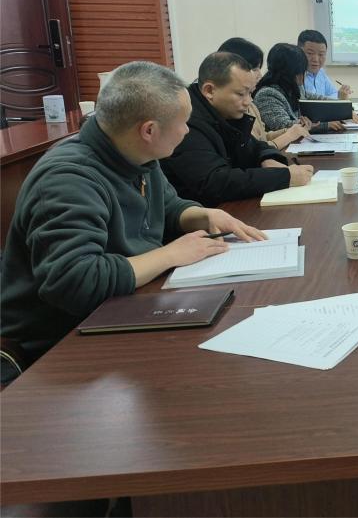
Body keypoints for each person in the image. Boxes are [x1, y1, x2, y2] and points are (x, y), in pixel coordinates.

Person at [0, 61, 266, 373]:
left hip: (125, 304)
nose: (187, 131)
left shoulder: (136, 153)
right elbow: (75, 282)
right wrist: (170, 255)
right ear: (149, 130)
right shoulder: (67, 179)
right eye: (184, 123)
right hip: (59, 343)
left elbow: (167, 206)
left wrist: (203, 215)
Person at [161, 52, 313, 207]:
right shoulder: (187, 122)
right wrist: (284, 177)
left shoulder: (224, 111)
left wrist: (267, 159)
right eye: (241, 94)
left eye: (250, 93)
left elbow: (254, 145)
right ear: (209, 90)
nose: (248, 101)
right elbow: (214, 182)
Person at [218, 37, 308, 151]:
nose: (260, 75)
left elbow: (262, 138)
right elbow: (250, 152)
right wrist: (289, 135)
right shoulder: (233, 107)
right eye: (254, 68)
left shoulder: (251, 105)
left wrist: (289, 131)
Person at [253, 43, 354, 134]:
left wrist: (343, 107)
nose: (304, 74)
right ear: (289, 72)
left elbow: (318, 100)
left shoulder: (294, 88)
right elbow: (283, 125)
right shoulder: (267, 95)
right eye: (301, 70)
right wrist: (324, 125)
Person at [298, 29, 350, 99]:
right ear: (298, 52)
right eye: (310, 53)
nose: (316, 59)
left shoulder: (321, 72)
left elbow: (333, 93)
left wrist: (340, 96)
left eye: (321, 54)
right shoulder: (296, 76)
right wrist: (339, 100)